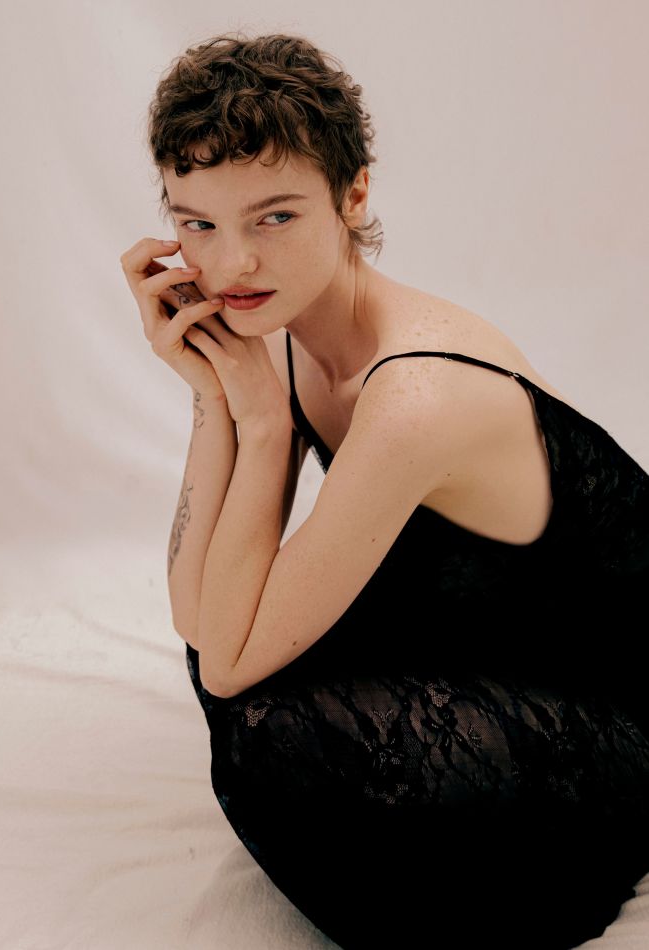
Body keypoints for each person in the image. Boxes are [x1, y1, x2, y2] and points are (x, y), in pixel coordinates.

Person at [121, 31, 649, 949]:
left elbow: (227, 660)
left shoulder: (416, 396)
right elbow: (200, 621)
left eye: (274, 218)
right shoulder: (279, 328)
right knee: (241, 682)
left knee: (268, 724)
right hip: (476, 635)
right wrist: (216, 398)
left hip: (609, 699)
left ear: (353, 192)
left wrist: (265, 424)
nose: (233, 266)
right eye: (198, 224)